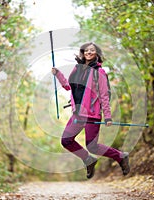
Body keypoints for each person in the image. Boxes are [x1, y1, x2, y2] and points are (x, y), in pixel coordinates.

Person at [52, 42, 130, 179]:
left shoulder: (99, 72)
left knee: (92, 146)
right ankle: (89, 160)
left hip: (91, 115)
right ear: (83, 52)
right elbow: (68, 86)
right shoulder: (77, 69)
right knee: (66, 141)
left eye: (92, 50)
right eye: (86, 50)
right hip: (77, 114)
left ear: (96, 53)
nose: (89, 52)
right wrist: (57, 74)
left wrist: (108, 116)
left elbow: (104, 95)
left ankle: (120, 156)